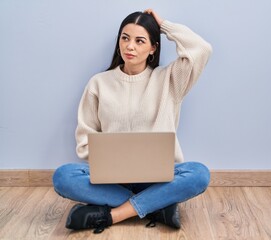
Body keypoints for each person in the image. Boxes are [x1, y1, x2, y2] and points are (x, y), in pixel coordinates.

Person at [52, 9, 212, 234]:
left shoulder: (170, 80)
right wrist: (106, 160)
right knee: (63, 176)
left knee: (199, 173)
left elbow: (202, 49)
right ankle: (157, 207)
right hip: (111, 181)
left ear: (153, 48)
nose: (130, 46)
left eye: (140, 41)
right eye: (125, 38)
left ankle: (113, 214)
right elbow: (84, 139)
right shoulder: (99, 83)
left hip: (157, 179)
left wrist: (163, 25)